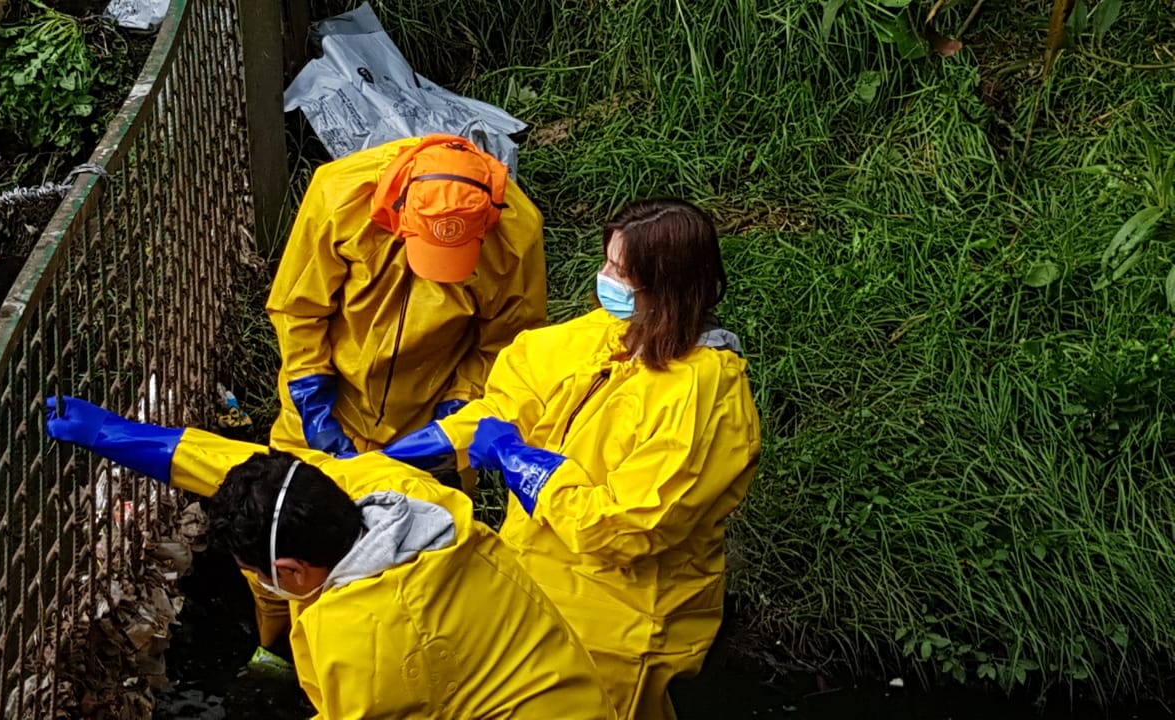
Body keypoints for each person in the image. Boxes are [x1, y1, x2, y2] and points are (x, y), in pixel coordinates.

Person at [381, 198, 763, 720]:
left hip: (621, 619)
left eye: (620, 271)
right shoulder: (610, 332)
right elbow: (517, 399)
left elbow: (632, 525)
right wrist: (438, 442)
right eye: (607, 261)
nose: (604, 278)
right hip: (533, 578)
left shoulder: (706, 396)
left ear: (665, 286)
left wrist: (519, 463)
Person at [43, 397, 617, 720]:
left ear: (289, 572)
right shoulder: (389, 488)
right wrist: (123, 437)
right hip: (572, 691)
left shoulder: (362, 640)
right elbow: (256, 470)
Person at [259, 133, 548, 657]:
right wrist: (312, 396)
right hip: (328, 400)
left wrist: (456, 411)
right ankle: (277, 645)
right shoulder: (339, 195)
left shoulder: (518, 232)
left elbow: (506, 344)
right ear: (398, 213)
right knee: (281, 538)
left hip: (425, 413)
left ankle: (398, 664)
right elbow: (299, 308)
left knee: (416, 556)